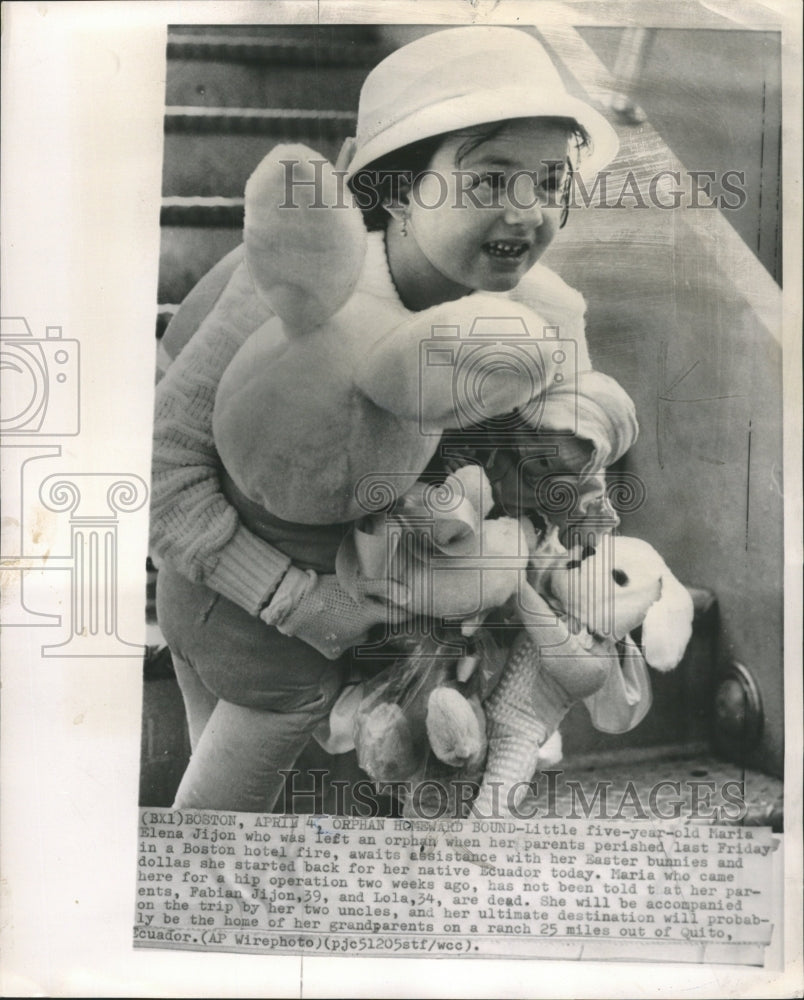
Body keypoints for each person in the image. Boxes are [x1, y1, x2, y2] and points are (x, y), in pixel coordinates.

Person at [150, 26, 622, 813]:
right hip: (233, 585)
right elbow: (163, 478)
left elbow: (571, 461)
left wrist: (574, 483)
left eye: (548, 182)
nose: (529, 212)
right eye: (489, 180)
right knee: (231, 802)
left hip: (393, 605)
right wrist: (295, 602)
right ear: (399, 188)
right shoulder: (293, 281)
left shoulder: (541, 317)